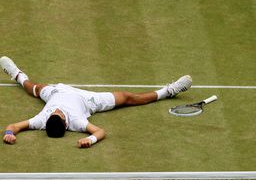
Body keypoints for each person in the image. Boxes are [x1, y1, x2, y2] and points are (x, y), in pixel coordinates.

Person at [1, 56, 192, 148]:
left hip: (56, 92)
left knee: (33, 87)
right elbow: (100, 131)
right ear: (66, 123)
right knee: (126, 97)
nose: (56, 112)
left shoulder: (42, 119)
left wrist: (10, 133)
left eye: (54, 113)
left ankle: (16, 73)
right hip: (87, 99)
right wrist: (90, 139)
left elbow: (14, 126)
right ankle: (168, 91)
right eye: (58, 115)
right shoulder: (77, 121)